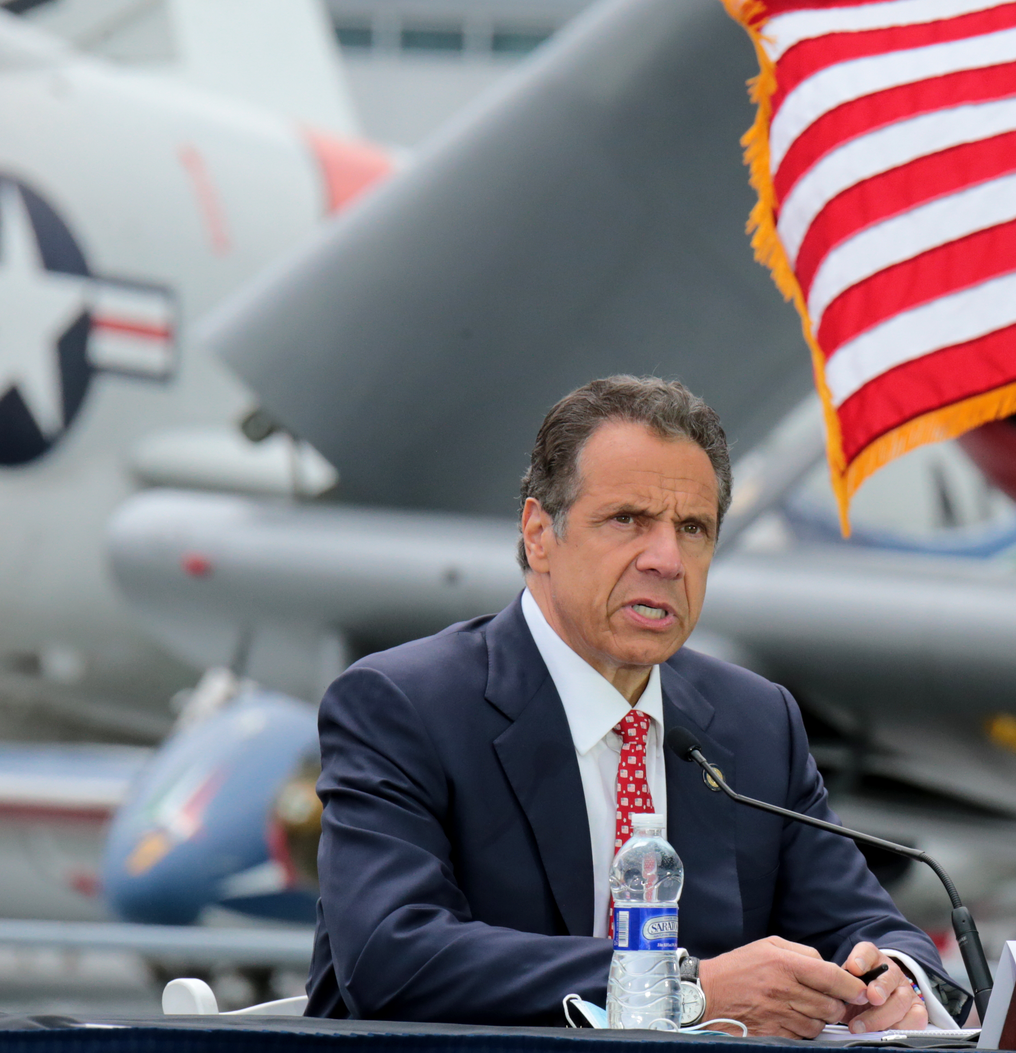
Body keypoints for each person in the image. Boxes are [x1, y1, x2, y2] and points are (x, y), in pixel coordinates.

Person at [306, 376, 956, 1032]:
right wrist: (681, 989)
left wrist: (891, 982)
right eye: (628, 520)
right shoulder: (404, 704)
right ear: (539, 534)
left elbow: (870, 928)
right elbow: (393, 960)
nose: (667, 559)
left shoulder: (757, 723)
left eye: (694, 528)